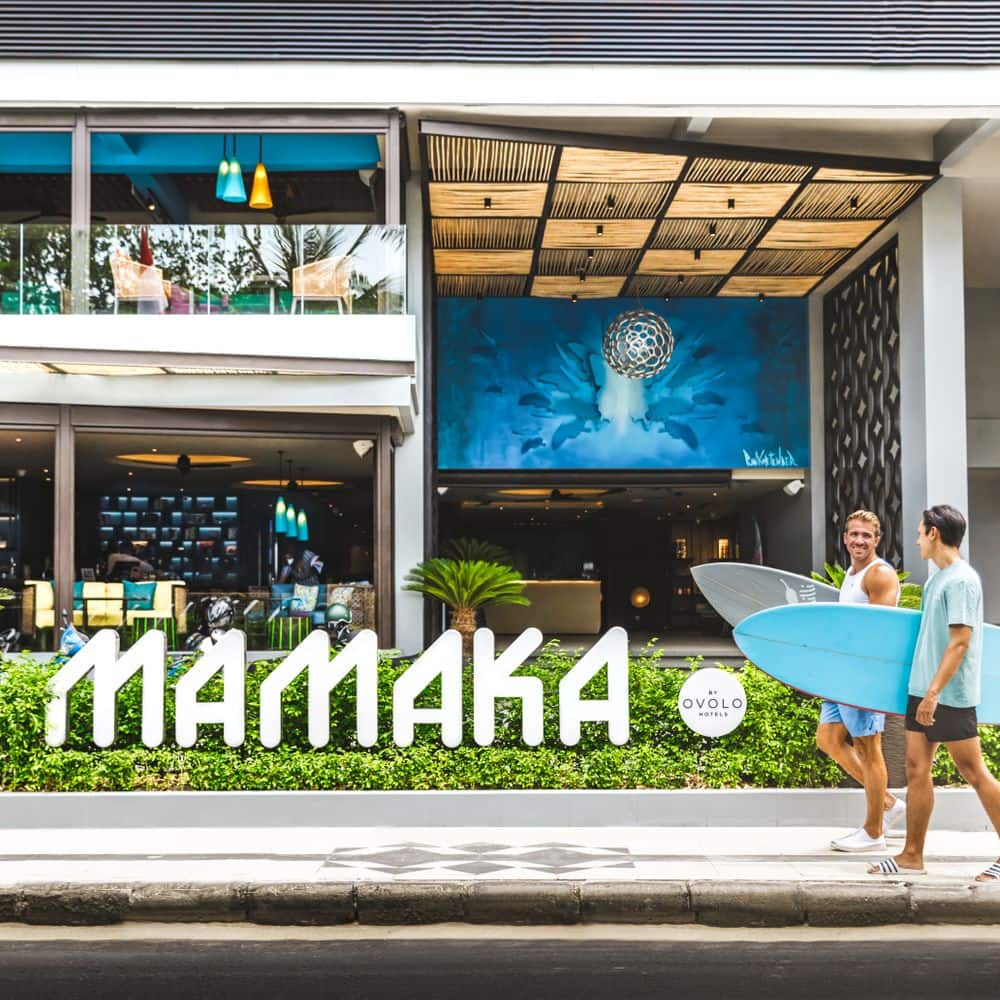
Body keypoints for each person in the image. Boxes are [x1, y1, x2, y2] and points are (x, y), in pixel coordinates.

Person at [869, 505, 1000, 879]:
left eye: (919, 532)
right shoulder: (937, 579)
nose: (916, 539)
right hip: (922, 689)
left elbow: (960, 642)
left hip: (947, 694)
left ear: (934, 534)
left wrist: (934, 694)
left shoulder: (961, 580)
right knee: (915, 770)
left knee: (973, 771)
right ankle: (912, 855)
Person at [818, 509, 906, 852]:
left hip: (864, 677)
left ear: (877, 540)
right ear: (844, 538)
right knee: (828, 739)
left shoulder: (879, 574)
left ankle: (873, 833)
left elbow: (878, 633)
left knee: (869, 749)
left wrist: (864, 682)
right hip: (843, 674)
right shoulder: (852, 573)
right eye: (854, 534)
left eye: (866, 536)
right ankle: (888, 804)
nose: (859, 540)